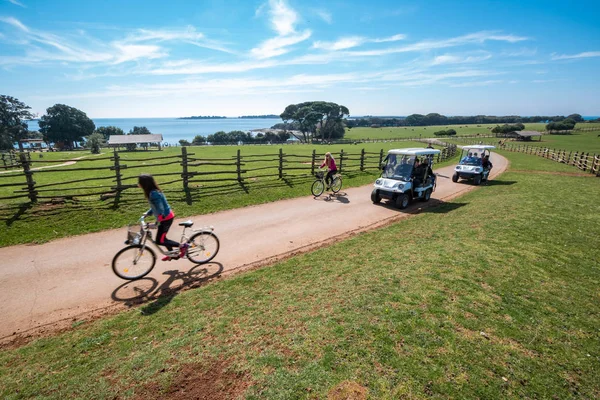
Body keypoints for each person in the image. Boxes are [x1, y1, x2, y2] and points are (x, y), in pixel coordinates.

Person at [138, 174, 188, 261]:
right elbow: (155, 207)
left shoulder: (153, 193)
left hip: (166, 219)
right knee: (163, 238)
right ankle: (172, 254)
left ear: (144, 183)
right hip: (165, 217)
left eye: (139, 182)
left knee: (160, 241)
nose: (138, 184)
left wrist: (158, 222)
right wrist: (147, 213)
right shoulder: (153, 192)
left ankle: (183, 246)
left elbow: (160, 208)